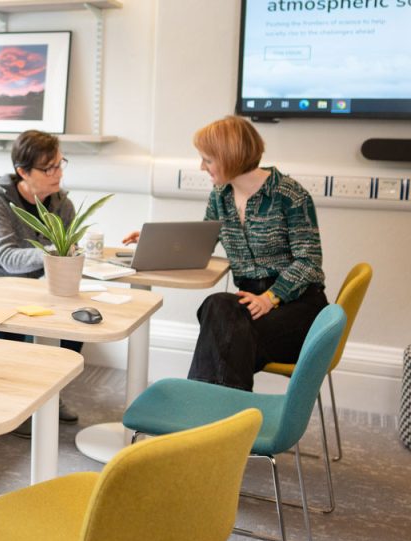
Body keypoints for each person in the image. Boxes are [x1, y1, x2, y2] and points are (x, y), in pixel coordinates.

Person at [123, 115, 326, 391]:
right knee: (219, 310)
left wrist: (270, 298)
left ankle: (205, 414)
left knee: (223, 326)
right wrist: (155, 241)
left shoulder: (289, 195)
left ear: (229, 157)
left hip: (297, 308)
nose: (201, 166)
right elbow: (203, 239)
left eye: (207, 159)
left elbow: (309, 263)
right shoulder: (221, 197)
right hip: (248, 305)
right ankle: (225, 421)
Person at [0, 129, 83, 436]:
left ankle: (50, 392)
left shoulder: (62, 204)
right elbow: (9, 258)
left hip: (29, 286)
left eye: (60, 164)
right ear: (23, 172)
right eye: (48, 168)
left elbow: (66, 253)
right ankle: (15, 405)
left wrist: (69, 255)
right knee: (12, 329)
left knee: (76, 321)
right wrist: (58, 253)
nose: (58, 173)